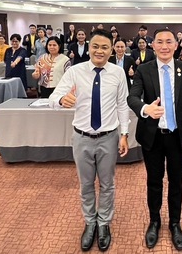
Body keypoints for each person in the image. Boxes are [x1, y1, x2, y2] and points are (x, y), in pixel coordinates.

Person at [49, 29, 130, 252]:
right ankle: (90, 222)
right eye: (95, 46)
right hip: (82, 138)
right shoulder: (75, 72)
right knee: (86, 185)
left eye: (105, 47)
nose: (99, 51)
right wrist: (61, 100)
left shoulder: (118, 73)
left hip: (108, 138)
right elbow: (53, 97)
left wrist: (124, 134)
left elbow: (122, 105)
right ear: (88, 48)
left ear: (111, 50)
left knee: (107, 184)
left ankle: (103, 223)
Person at [127, 29, 182, 251]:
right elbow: (132, 97)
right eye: (160, 42)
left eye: (169, 42)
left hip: (177, 137)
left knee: (177, 183)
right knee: (154, 181)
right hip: (153, 137)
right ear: (153, 45)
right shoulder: (144, 69)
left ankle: (175, 223)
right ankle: (154, 221)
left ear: (176, 45)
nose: (165, 46)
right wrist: (145, 109)